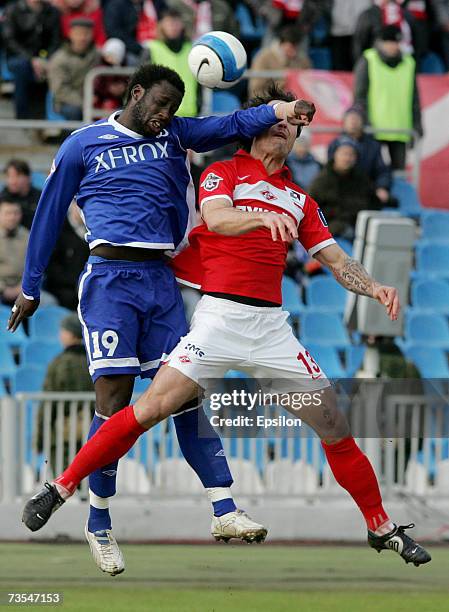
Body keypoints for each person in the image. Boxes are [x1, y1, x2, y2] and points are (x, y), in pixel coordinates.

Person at [22, 83, 431, 569]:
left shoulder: (300, 199)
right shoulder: (224, 173)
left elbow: (336, 259)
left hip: (272, 332)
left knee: (334, 424)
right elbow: (216, 219)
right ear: (255, 130)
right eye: (275, 123)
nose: (283, 131)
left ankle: (381, 528)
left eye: (290, 128)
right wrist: (261, 222)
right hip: (218, 321)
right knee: (151, 407)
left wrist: (375, 286)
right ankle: (62, 485)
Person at [9, 63, 314, 576]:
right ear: (135, 94)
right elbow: (46, 215)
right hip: (109, 281)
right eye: (159, 105)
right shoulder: (83, 145)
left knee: (185, 395)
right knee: (115, 402)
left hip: (162, 283)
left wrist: (282, 110)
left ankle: (224, 508)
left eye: (173, 109)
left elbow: (231, 125)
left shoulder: (175, 133)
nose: (165, 116)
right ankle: (99, 521)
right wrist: (30, 287)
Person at [354, 24, 423, 171]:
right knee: (371, 172)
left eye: (396, 42)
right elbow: (359, 95)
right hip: (373, 129)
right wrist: (363, 121)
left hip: (401, 129)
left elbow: (414, 98)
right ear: (380, 42)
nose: (393, 46)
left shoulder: (409, 63)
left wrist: (417, 123)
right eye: (390, 42)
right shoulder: (368, 59)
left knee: (399, 175)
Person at [37, 314, 94, 470]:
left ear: (70, 334)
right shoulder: (92, 362)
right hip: (89, 430)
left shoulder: (59, 363)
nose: (60, 335)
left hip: (61, 434)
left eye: (63, 331)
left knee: (63, 482)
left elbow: (48, 402)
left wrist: (40, 438)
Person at [309, 136, 380, 240]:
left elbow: (373, 202)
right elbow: (311, 210)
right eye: (344, 153)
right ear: (334, 155)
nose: (347, 158)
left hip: (359, 225)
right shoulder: (322, 180)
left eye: (351, 154)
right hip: (333, 230)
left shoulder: (361, 178)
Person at [2, 0, 61, 119]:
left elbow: (55, 40)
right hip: (19, 57)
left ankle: (47, 116)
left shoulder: (52, 11)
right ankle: (22, 116)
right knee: (22, 67)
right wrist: (32, 59)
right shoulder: (13, 10)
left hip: (45, 58)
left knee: (58, 65)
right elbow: (9, 40)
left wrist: (45, 59)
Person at [328, 106, 392, 205]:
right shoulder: (335, 144)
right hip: (341, 191)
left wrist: (382, 187)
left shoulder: (374, 146)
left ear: (363, 122)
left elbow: (383, 170)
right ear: (344, 122)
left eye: (356, 119)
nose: (353, 122)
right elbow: (329, 170)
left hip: (366, 191)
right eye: (350, 119)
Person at [147, 9, 198, 117]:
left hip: (190, 114)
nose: (173, 27)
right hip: (161, 115)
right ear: (161, 25)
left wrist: (199, 104)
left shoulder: (192, 49)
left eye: (176, 23)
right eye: (169, 23)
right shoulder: (152, 48)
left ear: (182, 25)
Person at [48, 18, 100, 121]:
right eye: (79, 34)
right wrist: (85, 101)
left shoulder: (98, 55)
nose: (82, 38)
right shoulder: (60, 59)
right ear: (70, 34)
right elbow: (60, 90)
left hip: (94, 99)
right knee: (74, 111)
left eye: (87, 34)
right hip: (67, 102)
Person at [45, 202, 90, 310]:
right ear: (72, 206)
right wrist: (73, 281)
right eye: (80, 207)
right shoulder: (58, 228)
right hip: (62, 288)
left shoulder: (94, 230)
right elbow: (51, 266)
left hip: (86, 284)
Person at [248, 24, 311, 96]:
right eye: (291, 47)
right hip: (270, 102)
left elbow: (309, 87)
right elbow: (255, 90)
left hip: (297, 101)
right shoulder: (264, 57)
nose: (294, 52)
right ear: (281, 43)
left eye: (297, 47)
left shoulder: (303, 60)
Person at [0, 199, 29, 307]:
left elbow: (36, 268)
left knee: (48, 302)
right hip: (1, 288)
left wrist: (23, 288)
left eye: (16, 213)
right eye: (8, 213)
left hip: (24, 289)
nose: (12, 217)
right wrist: (3, 288)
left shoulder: (28, 237)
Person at [0, 160, 42, 229]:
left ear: (28, 177)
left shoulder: (40, 197)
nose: (12, 181)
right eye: (9, 176)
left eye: (17, 176)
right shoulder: (4, 198)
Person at [94, 39, 129, 114]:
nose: (108, 57)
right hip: (101, 99)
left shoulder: (124, 70)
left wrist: (122, 88)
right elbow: (97, 85)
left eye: (113, 55)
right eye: (107, 54)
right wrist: (108, 89)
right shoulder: (100, 69)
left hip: (117, 101)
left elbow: (127, 83)